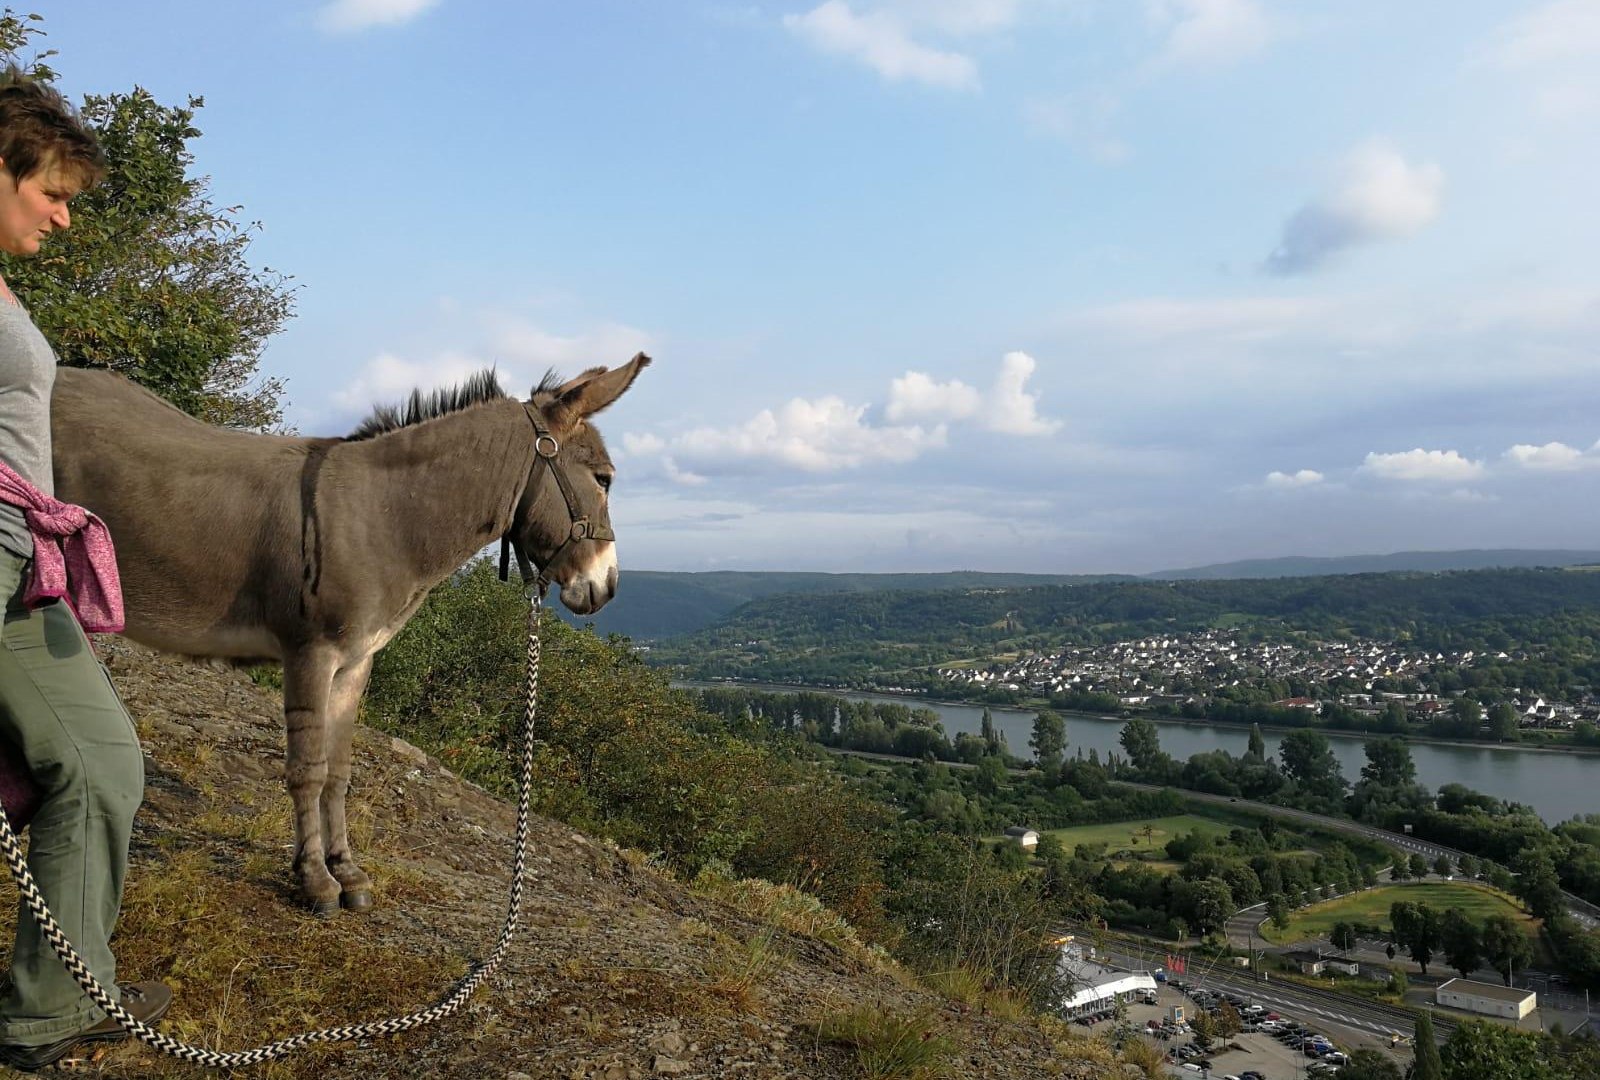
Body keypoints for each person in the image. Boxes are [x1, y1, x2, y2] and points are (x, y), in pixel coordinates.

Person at [0, 70, 170, 1071]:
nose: (64, 217)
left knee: (102, 761)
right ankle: (48, 1010)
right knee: (95, 762)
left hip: (22, 562)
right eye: (51, 193)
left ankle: (59, 997)